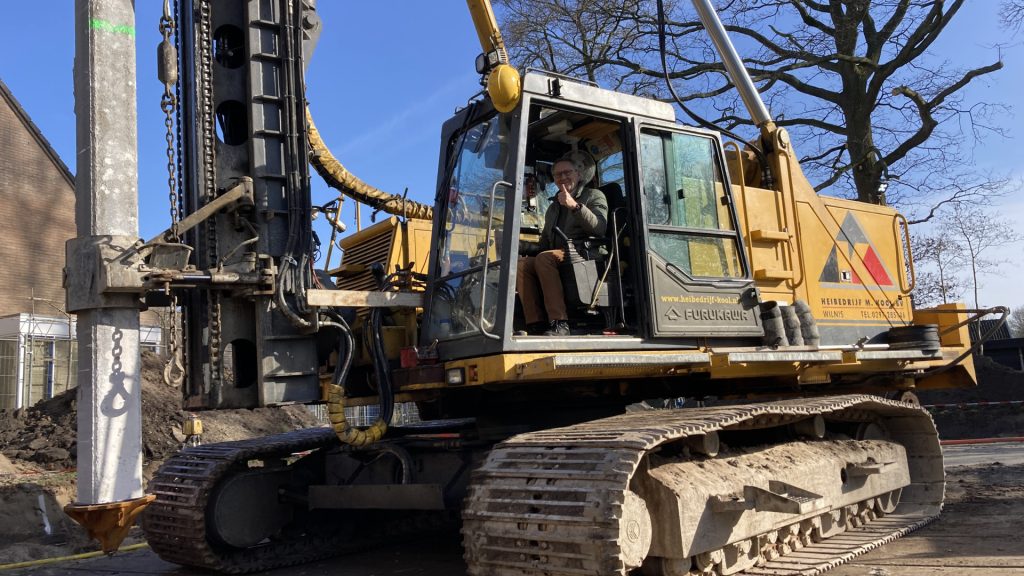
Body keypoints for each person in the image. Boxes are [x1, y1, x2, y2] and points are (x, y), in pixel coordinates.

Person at [516, 151, 608, 336]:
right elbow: (544, 245)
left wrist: (574, 206)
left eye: (567, 172)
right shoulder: (553, 208)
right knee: (523, 265)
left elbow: (599, 229)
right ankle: (535, 324)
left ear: (579, 175)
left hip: (585, 254)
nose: (563, 177)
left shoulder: (594, 196)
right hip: (558, 254)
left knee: (544, 259)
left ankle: (560, 323)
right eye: (558, 175)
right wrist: (519, 246)